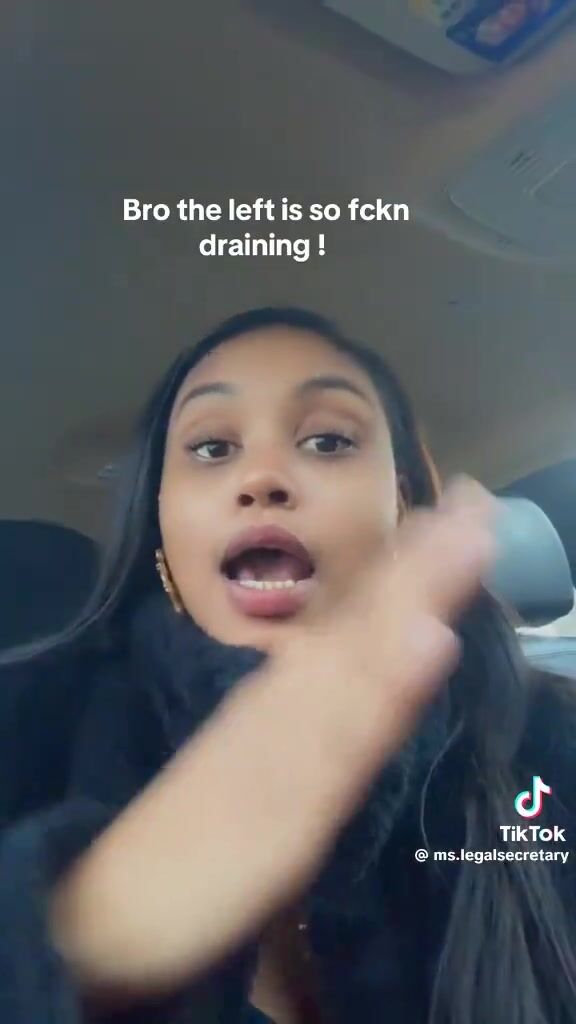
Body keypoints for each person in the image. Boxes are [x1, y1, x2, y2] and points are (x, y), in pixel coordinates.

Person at [0, 306, 574, 1024]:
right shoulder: (27, 722)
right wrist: (73, 939)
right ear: (162, 534)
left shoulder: (547, 746)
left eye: (328, 441)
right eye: (212, 448)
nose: (264, 477)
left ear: (402, 505)